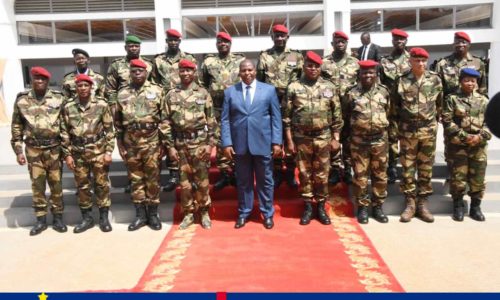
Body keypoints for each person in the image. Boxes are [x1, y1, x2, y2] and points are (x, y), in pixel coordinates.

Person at [221, 59, 282, 229]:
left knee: (266, 181)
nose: (247, 73)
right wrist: (226, 143)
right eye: (243, 70)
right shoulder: (230, 92)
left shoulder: (269, 90)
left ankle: (267, 213)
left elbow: (276, 118)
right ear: (239, 73)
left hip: (263, 143)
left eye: (250, 69)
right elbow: (225, 120)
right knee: (243, 181)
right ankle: (244, 212)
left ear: (255, 71)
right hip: (240, 145)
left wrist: (277, 141)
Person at [283, 51, 342, 225]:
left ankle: (321, 206)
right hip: (301, 138)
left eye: (316, 66)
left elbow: (337, 115)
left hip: (323, 136)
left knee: (322, 175)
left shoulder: (329, 87)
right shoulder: (293, 87)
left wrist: (336, 138)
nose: (313, 69)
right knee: (304, 174)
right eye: (309, 65)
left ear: (320, 67)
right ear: (304, 66)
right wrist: (289, 141)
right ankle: (308, 206)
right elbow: (286, 117)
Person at [11, 67, 67, 235]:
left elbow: (65, 124)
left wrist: (66, 150)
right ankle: (40, 220)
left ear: (47, 81)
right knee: (37, 186)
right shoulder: (22, 100)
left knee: (56, 185)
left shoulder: (58, 98)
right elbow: (16, 126)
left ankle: (58, 219)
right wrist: (18, 151)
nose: (40, 82)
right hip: (33, 150)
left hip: (54, 149)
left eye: (43, 79)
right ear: (32, 80)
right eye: (37, 79)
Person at [114, 59, 169, 231]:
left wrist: (164, 143)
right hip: (131, 144)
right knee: (136, 179)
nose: (137, 73)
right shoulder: (122, 93)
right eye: (134, 71)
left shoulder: (157, 91)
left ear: (146, 73)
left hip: (152, 142)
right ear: (130, 73)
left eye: (140, 71)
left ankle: (153, 214)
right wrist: (120, 144)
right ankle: (140, 215)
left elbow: (164, 119)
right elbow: (117, 123)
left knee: (153, 180)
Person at [392, 47, 443, 223]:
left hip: (428, 132)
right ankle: (410, 204)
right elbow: (395, 108)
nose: (420, 63)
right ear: (410, 61)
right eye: (416, 60)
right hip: (407, 133)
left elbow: (439, 105)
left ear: (426, 61)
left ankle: (423, 204)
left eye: (423, 60)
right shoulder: (401, 81)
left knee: (426, 169)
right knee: (407, 170)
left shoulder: (435, 80)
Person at [165, 59, 217, 230]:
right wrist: (170, 146)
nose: (186, 73)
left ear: (194, 72)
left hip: (200, 144)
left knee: (202, 181)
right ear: (178, 72)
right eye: (182, 70)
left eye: (189, 70)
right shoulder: (171, 95)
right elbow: (165, 122)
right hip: (180, 145)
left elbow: (212, 120)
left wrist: (210, 144)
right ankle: (188, 213)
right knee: (184, 182)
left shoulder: (203, 93)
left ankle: (203, 212)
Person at [60, 74, 114, 233]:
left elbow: (109, 130)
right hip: (78, 153)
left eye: (86, 85)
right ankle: (87, 219)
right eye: (79, 86)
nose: (83, 88)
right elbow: (64, 132)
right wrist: (67, 154)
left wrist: (109, 151)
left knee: (101, 185)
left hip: (98, 151)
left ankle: (103, 218)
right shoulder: (69, 106)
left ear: (91, 87)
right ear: (75, 88)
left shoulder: (101, 105)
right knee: (82, 187)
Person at [434, 31, 488, 188]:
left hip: (474, 109)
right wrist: (439, 111)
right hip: (451, 109)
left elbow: (482, 88)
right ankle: (454, 175)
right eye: (457, 42)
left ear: (468, 45)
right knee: (451, 145)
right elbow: (438, 90)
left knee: (473, 145)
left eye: (463, 42)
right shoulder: (443, 64)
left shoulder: (478, 63)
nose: (460, 45)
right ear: (453, 44)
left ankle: (466, 179)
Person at [257, 24, 303, 189]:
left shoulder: (296, 56)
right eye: (276, 35)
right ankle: (276, 173)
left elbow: (301, 80)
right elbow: (260, 82)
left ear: (287, 37)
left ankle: (290, 173)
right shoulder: (264, 56)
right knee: (273, 139)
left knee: (290, 138)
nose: (279, 38)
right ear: (272, 37)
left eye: (282, 36)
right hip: (271, 104)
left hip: (291, 103)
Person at [105, 35, 153, 194]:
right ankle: (132, 180)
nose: (133, 48)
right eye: (130, 46)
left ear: (140, 47)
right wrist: (114, 108)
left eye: (136, 46)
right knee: (129, 149)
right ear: (125, 47)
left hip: (146, 108)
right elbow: (111, 89)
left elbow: (154, 85)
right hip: (125, 109)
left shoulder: (149, 64)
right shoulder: (116, 65)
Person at [344, 60, 390, 224]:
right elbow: (346, 115)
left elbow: (388, 113)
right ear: (359, 74)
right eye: (364, 73)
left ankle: (378, 207)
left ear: (376, 74)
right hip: (359, 142)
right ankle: (362, 207)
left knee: (380, 176)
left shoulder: (384, 92)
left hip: (379, 141)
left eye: (371, 72)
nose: (368, 75)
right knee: (360, 177)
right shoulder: (351, 93)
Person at [441, 68, 490, 222]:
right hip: (459, 146)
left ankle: (476, 207)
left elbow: (491, 122)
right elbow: (447, 121)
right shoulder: (452, 99)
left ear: (476, 83)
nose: (470, 83)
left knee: (478, 179)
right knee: (458, 178)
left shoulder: (484, 100)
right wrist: (466, 136)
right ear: (460, 81)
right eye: (466, 80)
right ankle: (458, 206)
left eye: (473, 81)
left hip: (479, 146)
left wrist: (480, 136)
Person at [152, 28, 198, 193]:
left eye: (175, 40)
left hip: (186, 102)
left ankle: (189, 174)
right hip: (166, 104)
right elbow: (154, 84)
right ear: (167, 41)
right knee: (168, 138)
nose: (173, 42)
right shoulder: (158, 61)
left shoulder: (189, 58)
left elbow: (196, 82)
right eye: (170, 40)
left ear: (180, 41)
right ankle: (173, 175)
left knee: (185, 138)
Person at [201, 32, 245, 191]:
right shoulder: (209, 61)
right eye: (220, 42)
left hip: (236, 108)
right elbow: (204, 84)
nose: (223, 44)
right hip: (217, 108)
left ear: (230, 43)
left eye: (226, 41)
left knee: (238, 138)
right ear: (216, 44)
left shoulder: (240, 60)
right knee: (220, 140)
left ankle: (237, 173)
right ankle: (225, 174)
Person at [321, 31, 359, 185]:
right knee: (333, 140)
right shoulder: (324, 63)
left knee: (349, 141)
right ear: (332, 44)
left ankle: (348, 168)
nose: (340, 44)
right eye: (337, 41)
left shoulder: (355, 63)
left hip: (350, 110)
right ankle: (335, 169)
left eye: (343, 41)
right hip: (330, 110)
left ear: (347, 44)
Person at [380, 29, 412, 184]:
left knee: (408, 137)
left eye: (402, 39)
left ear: (406, 41)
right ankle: (391, 167)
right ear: (392, 41)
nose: (399, 41)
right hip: (390, 105)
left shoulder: (412, 60)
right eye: (396, 39)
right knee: (391, 137)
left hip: (408, 105)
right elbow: (379, 83)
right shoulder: (384, 61)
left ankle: (408, 168)